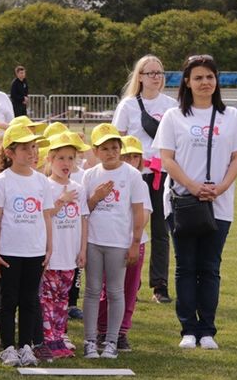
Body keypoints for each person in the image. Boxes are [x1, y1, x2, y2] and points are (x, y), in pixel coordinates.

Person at [152, 54, 237, 350]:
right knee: (185, 266)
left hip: (218, 205)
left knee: (210, 267)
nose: (204, 82)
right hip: (182, 203)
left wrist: (219, 187)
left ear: (216, 80)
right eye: (198, 77)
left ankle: (207, 330)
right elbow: (166, 160)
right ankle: (188, 329)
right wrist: (193, 186)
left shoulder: (230, 116)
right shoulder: (174, 116)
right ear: (187, 82)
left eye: (210, 76)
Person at [112, 55, 179, 304]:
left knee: (162, 230)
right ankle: (130, 278)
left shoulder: (171, 105)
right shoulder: (128, 105)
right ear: (139, 76)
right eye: (150, 73)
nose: (156, 77)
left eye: (159, 73)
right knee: (130, 228)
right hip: (135, 176)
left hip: (163, 176)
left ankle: (159, 284)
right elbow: (116, 139)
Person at [0, 124, 54, 367]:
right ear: (10, 152)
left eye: (33, 147)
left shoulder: (42, 181)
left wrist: (49, 248)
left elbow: (46, 216)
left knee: (29, 301)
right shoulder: (2, 181)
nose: (31, 152)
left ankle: (26, 346)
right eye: (24, 148)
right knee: (8, 301)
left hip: (34, 251)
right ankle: (8, 348)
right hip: (9, 252)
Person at [81, 124, 147, 360]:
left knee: (116, 291)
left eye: (115, 147)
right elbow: (84, 211)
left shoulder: (132, 175)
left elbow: (139, 212)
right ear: (96, 151)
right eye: (105, 148)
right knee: (92, 290)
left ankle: (111, 341)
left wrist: (134, 243)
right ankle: (89, 341)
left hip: (119, 243)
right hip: (94, 242)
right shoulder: (89, 175)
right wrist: (95, 198)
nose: (111, 152)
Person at [94, 135, 152, 352]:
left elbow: (144, 213)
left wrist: (133, 239)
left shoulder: (137, 179)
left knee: (127, 289)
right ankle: (102, 329)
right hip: (105, 241)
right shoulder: (101, 176)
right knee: (102, 288)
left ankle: (120, 332)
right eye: (127, 156)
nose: (130, 160)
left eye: (135, 157)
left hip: (130, 242)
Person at [41, 132, 90, 359]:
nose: (66, 163)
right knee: (48, 299)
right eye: (61, 158)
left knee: (63, 300)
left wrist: (82, 250)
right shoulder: (45, 186)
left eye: (71, 158)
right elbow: (46, 215)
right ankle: (48, 338)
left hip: (70, 256)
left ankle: (60, 336)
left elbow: (83, 219)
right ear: (50, 159)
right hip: (52, 256)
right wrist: (62, 200)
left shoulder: (78, 188)